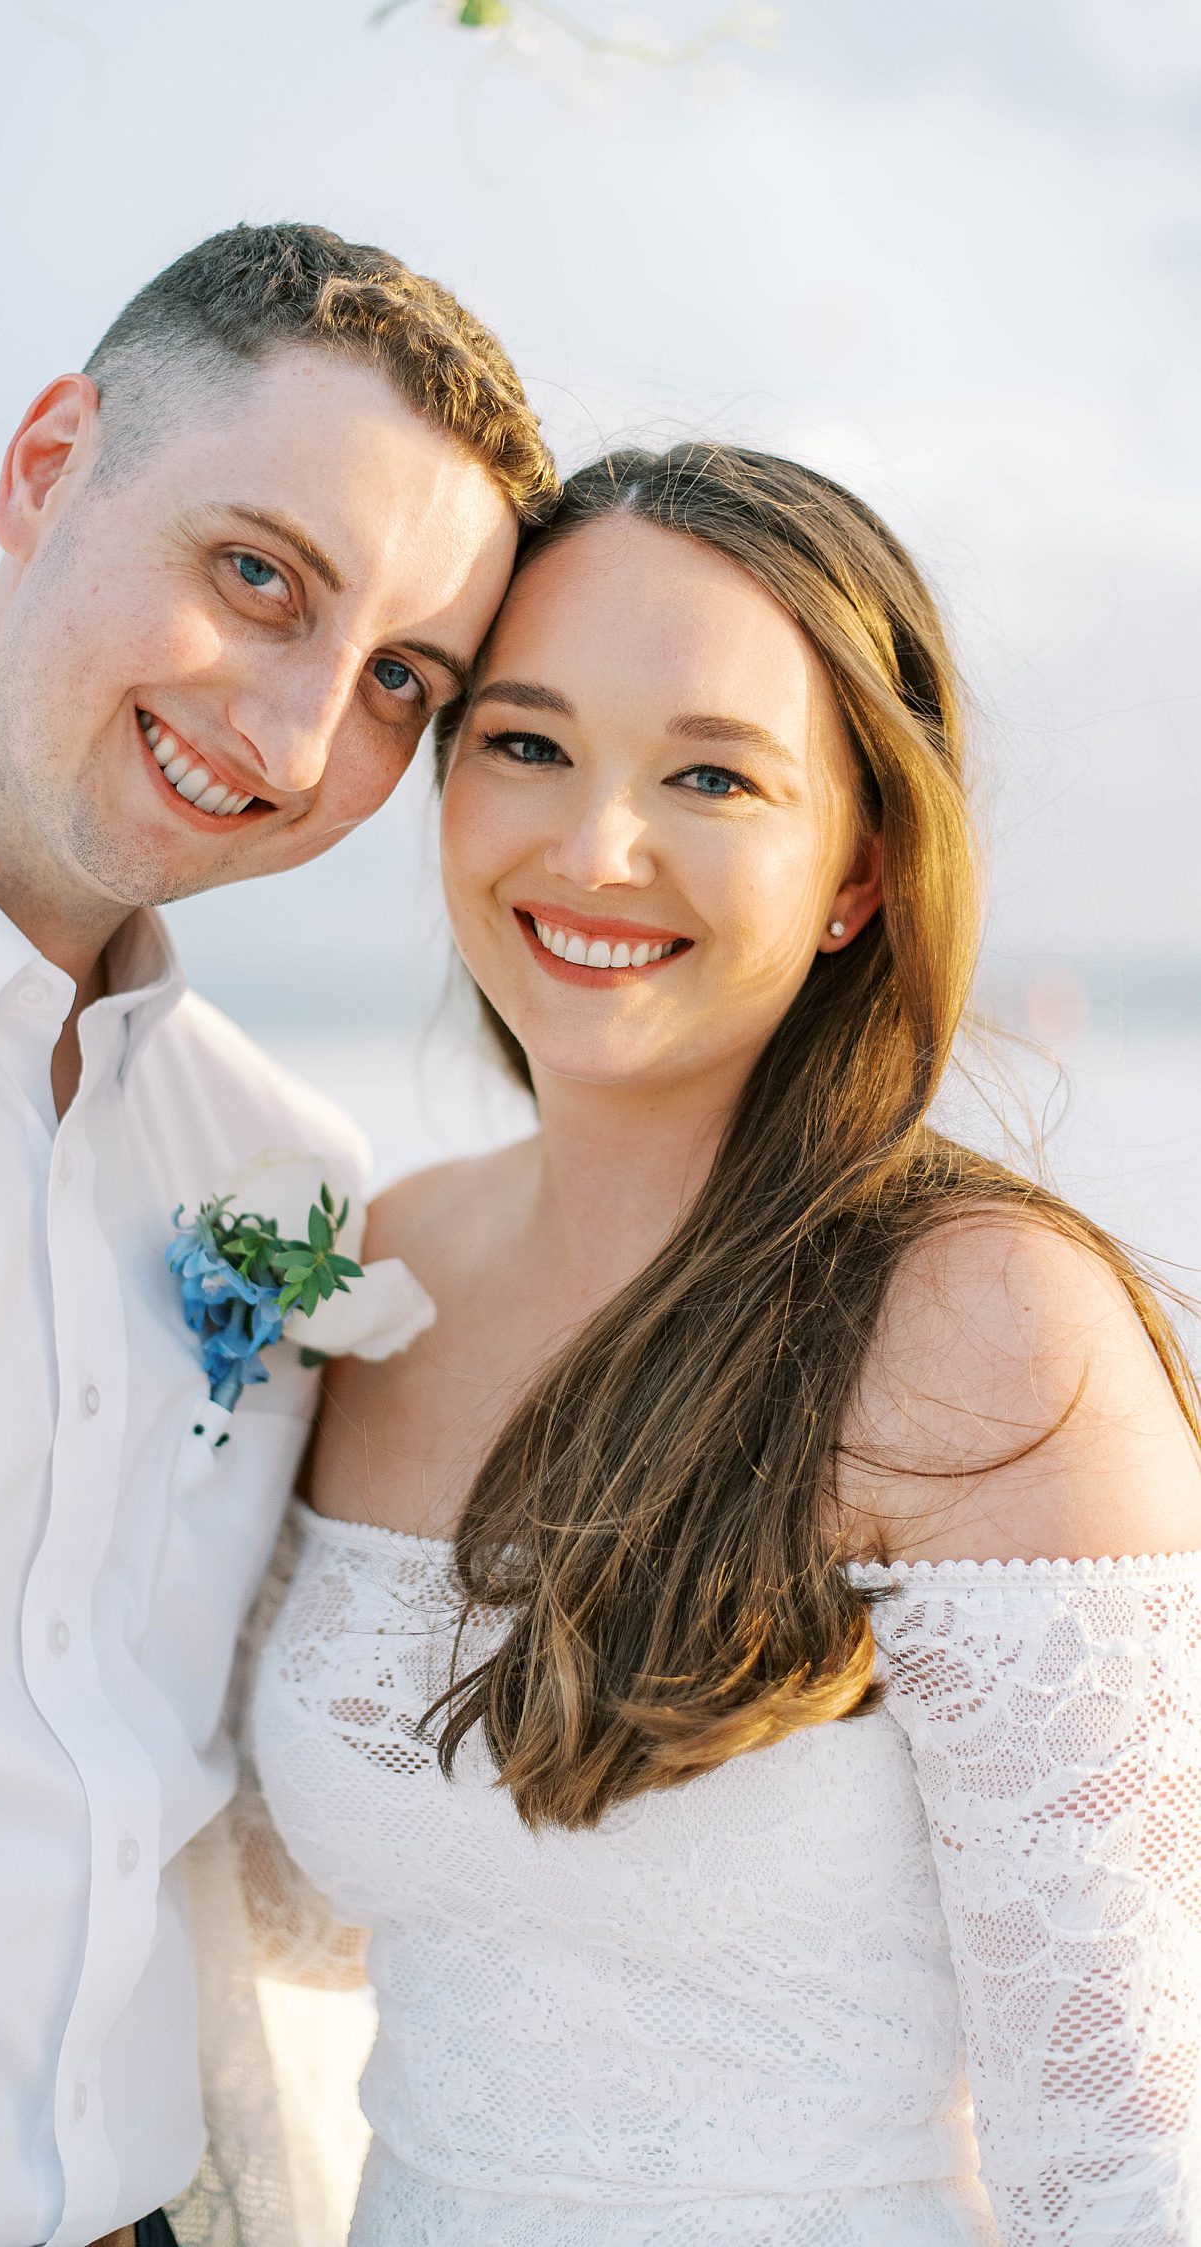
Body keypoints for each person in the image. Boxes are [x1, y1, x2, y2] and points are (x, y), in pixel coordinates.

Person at [0, 220, 554, 2247]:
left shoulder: (278, 1171)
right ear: (44, 462)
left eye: (396, 685)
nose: (287, 732)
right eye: (256, 573)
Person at [244, 443, 1201, 2244]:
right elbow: (308, 1904)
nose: (596, 848)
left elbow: (1130, 2145)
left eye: (712, 774)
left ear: (859, 870)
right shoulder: (386, 1266)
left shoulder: (982, 1323)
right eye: (525, 743)